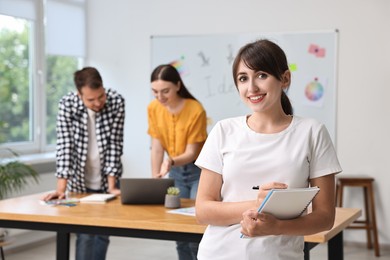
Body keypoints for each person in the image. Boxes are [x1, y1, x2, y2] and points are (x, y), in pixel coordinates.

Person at [194, 39, 342, 259]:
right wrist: (258, 204)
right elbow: (203, 210)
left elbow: (325, 217)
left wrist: (276, 226)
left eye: (262, 75)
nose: (251, 87)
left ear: (285, 78)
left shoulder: (312, 132)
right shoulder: (223, 130)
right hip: (218, 253)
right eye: (243, 78)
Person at [42, 67, 125, 260]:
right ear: (79, 94)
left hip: (107, 178)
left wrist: (112, 186)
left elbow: (115, 144)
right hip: (80, 181)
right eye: (91, 99)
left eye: (101, 96)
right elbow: (65, 146)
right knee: (85, 234)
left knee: (103, 233)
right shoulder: (67, 104)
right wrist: (61, 189)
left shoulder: (116, 101)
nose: (98, 103)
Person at [147, 64, 207, 260]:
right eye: (155, 92)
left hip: (199, 171)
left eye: (165, 91)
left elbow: (192, 152)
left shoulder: (195, 109)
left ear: (178, 86)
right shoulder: (154, 108)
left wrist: (171, 161)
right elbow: (156, 147)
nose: (160, 97)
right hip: (174, 173)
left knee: (197, 228)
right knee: (179, 231)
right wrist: (156, 178)